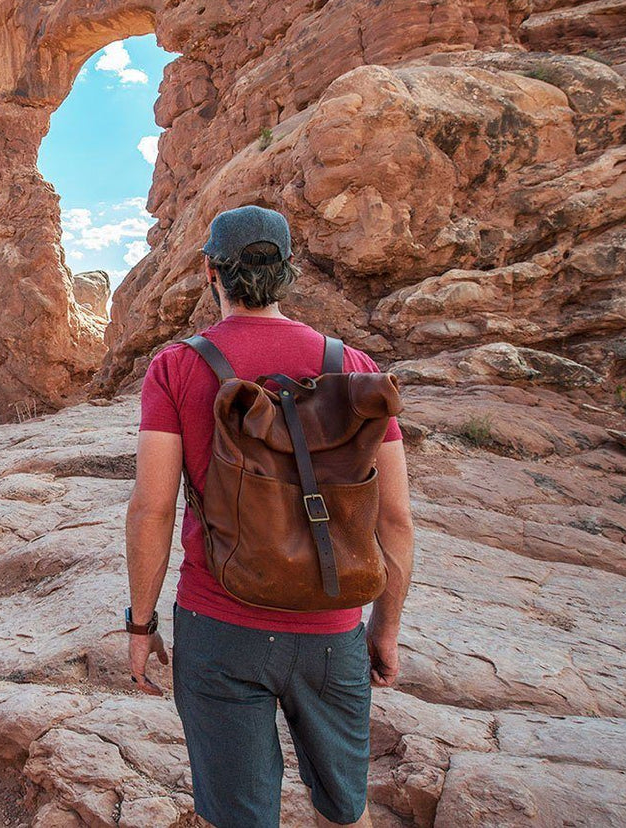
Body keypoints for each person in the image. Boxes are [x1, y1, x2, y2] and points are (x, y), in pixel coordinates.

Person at [123, 205, 414, 828]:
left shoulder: (176, 367)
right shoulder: (355, 369)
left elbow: (152, 508)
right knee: (345, 811)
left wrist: (141, 624)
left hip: (218, 622)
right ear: (288, 273)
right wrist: (383, 631)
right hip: (333, 626)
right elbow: (394, 520)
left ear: (210, 273)